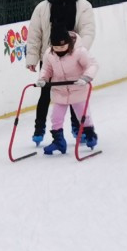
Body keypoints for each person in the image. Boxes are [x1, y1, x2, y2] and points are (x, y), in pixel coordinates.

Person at [25, 0, 96, 145]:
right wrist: (32, 58)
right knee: (45, 93)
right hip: (50, 58)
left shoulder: (83, 6)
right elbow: (35, 34)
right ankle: (39, 129)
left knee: (75, 93)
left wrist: (77, 51)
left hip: (74, 59)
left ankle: (78, 127)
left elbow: (88, 31)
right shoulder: (42, 7)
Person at [34, 26, 98, 155]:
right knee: (56, 118)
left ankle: (90, 135)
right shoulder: (49, 54)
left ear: (68, 43)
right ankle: (59, 142)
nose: (59, 50)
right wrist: (43, 79)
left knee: (83, 116)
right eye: (56, 48)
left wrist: (86, 78)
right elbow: (47, 69)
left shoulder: (79, 51)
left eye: (62, 47)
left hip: (77, 89)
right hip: (59, 90)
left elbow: (92, 65)